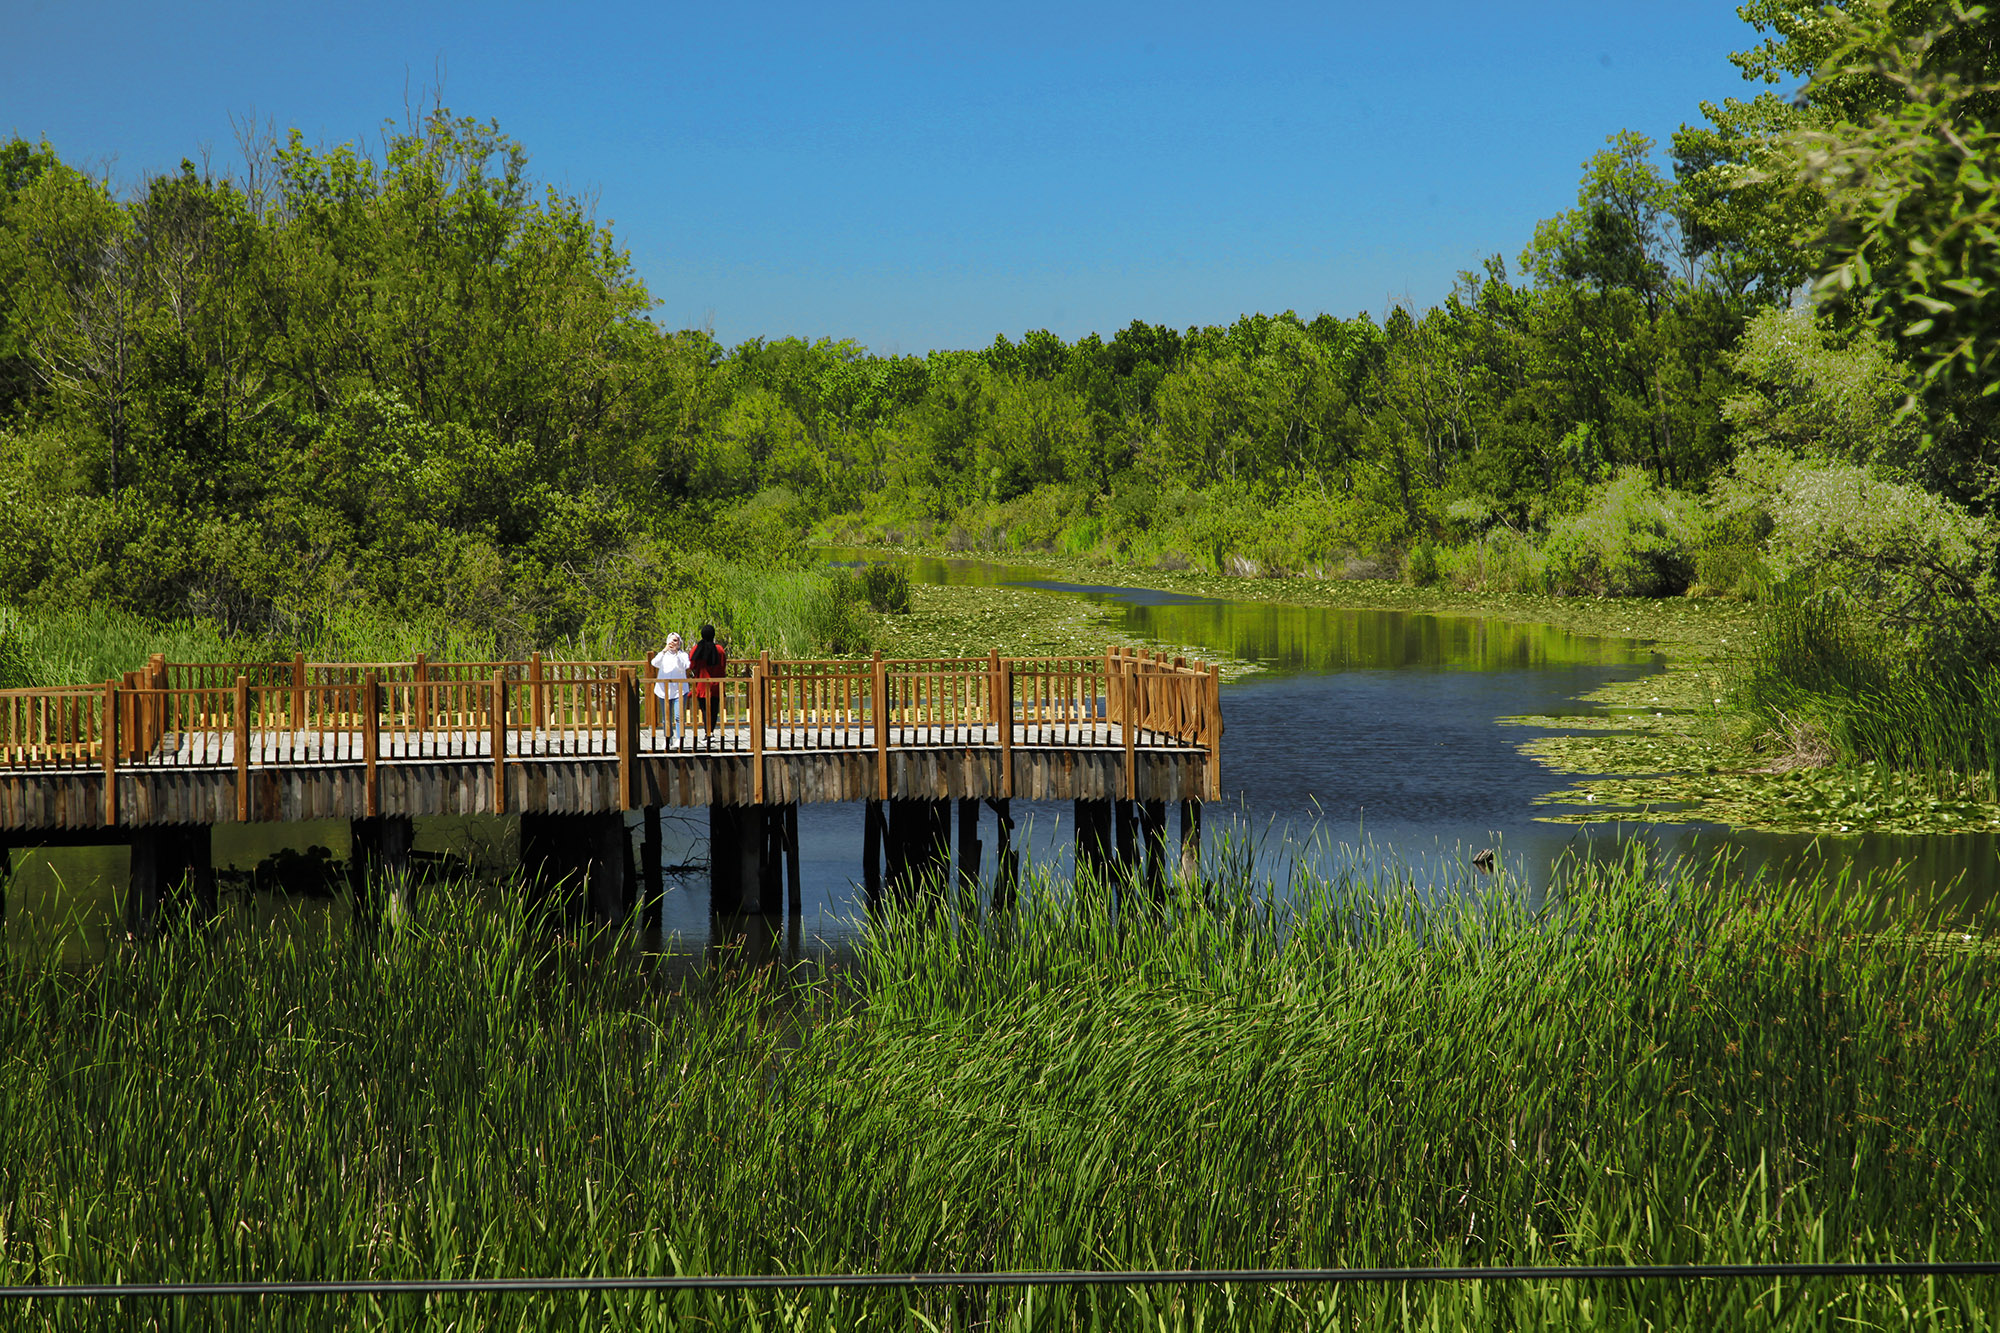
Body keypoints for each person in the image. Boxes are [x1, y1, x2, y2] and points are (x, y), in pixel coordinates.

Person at [650, 631, 690, 743]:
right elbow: (654, 663)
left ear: (679, 643)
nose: (673, 643)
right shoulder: (663, 655)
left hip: (679, 690)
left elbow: (684, 666)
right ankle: (668, 737)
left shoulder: (683, 655)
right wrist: (664, 650)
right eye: (671, 640)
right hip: (664, 690)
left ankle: (679, 738)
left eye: (675, 640)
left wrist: (677, 653)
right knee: (666, 717)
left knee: (678, 716)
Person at [688, 623, 728, 733]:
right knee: (714, 709)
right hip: (716, 684)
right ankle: (711, 731)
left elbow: (691, 665)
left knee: (704, 709)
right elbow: (723, 665)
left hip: (701, 684)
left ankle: (707, 732)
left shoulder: (697, 649)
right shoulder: (719, 649)